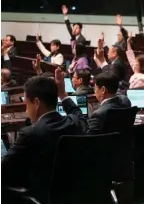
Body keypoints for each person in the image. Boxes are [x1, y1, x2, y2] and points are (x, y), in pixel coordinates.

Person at [2, 75, 87, 204]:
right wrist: (63, 94)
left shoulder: (30, 133)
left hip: (40, 197)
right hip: (75, 195)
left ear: (36, 103)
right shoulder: (74, 123)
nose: (26, 110)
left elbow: (4, 169)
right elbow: (78, 114)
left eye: (26, 104)